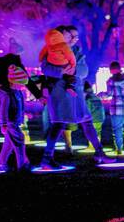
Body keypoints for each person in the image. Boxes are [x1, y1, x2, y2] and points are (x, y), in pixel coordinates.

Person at [39, 25, 114, 168]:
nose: (74, 39)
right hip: (60, 93)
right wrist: (63, 72)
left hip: (77, 94)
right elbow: (46, 68)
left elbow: (84, 70)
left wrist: (73, 70)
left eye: (75, 36)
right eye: (70, 35)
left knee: (87, 121)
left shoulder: (77, 52)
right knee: (58, 124)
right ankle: (46, 159)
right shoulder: (51, 50)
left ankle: (99, 152)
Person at [0, 65, 31, 172]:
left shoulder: (17, 92)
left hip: (14, 121)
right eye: (20, 84)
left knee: (9, 144)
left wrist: (23, 114)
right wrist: (3, 124)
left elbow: (20, 106)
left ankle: (1, 164)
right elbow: (3, 111)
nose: (22, 87)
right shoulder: (6, 94)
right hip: (10, 123)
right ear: (12, 81)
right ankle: (22, 164)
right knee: (19, 140)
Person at [39, 28, 77, 97]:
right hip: (56, 93)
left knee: (69, 79)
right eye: (69, 36)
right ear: (60, 36)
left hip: (70, 96)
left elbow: (84, 71)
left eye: (75, 37)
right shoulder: (61, 46)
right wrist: (61, 71)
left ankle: (69, 87)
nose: (72, 39)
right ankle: (46, 88)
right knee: (50, 80)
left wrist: (74, 69)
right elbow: (44, 69)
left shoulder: (78, 51)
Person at [84, 81, 105, 151]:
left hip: (93, 118)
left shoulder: (88, 98)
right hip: (100, 118)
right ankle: (98, 145)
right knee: (98, 132)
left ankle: (93, 146)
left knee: (92, 132)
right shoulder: (97, 97)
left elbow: (88, 110)